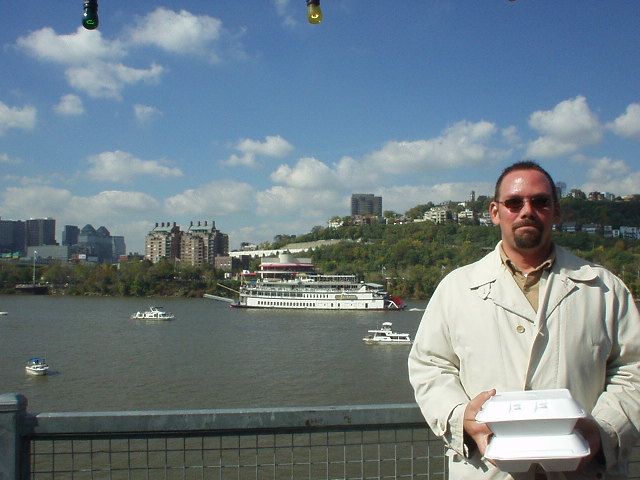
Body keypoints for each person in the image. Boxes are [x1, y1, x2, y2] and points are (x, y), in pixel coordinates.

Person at [408, 161, 640, 480]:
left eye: (540, 201)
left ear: (556, 212)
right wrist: (461, 417)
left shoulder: (605, 288)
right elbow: (429, 365)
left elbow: (633, 370)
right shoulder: (456, 289)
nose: (526, 211)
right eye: (514, 202)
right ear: (494, 212)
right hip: (486, 469)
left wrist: (603, 429)